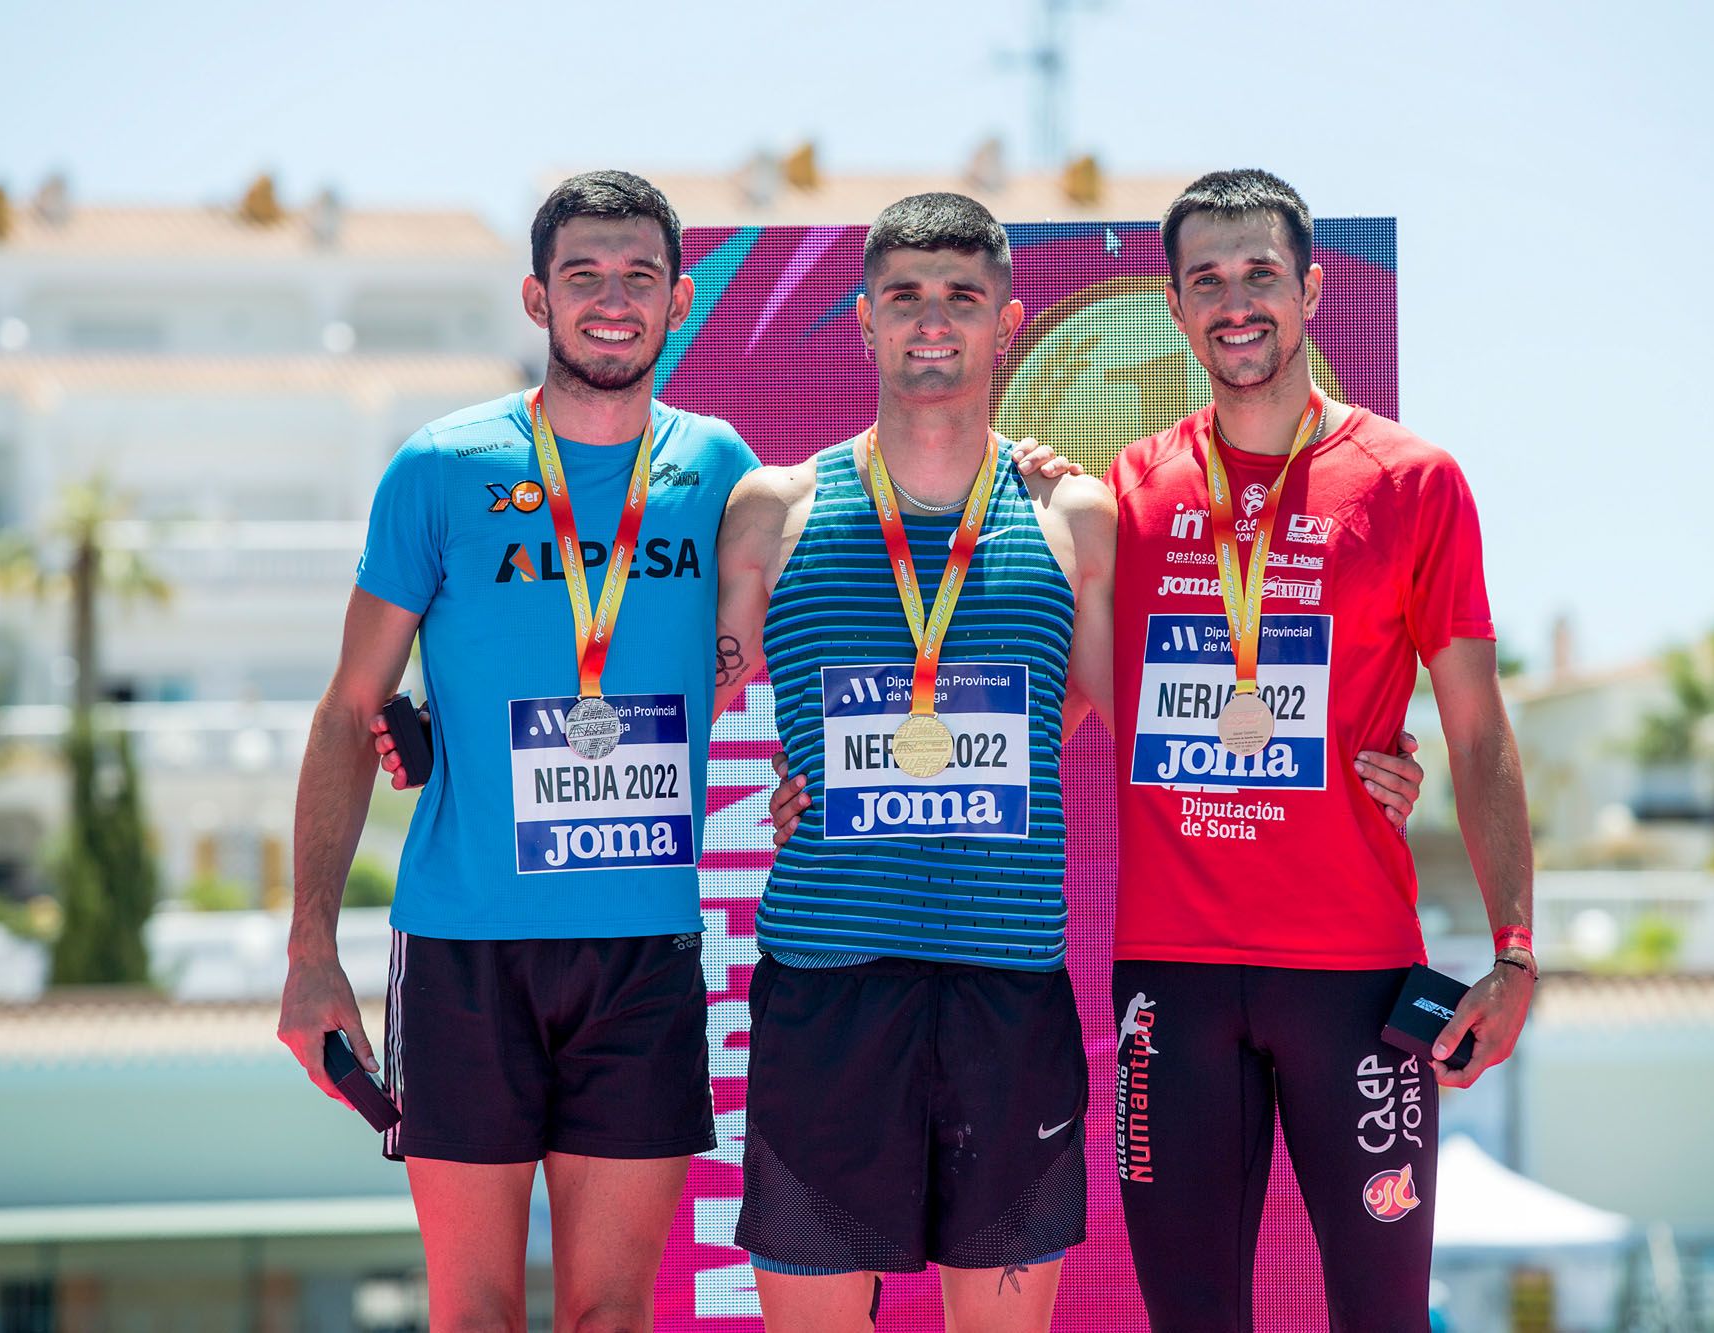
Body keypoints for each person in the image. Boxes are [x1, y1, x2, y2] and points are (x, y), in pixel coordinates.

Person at [277, 170, 760, 1333]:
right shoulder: (440, 467)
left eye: (638, 276)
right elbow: (352, 710)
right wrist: (308, 949)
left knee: (609, 1315)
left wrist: (1032, 469)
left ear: (679, 298)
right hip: (462, 949)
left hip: (641, 946)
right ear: (537, 298)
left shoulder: (726, 470)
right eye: (582, 275)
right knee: (478, 1311)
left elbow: (874, 529)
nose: (611, 299)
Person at [1100, 169, 1537, 1331]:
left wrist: (1513, 950)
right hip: (1170, 978)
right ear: (1175, 305)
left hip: (1351, 975)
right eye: (1207, 280)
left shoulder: (1412, 481)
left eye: (1259, 274)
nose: (1235, 302)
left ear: (1310, 289)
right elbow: (1028, 680)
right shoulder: (1122, 492)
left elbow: (1479, 731)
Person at [711, 192, 1118, 1333]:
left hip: (1005, 989)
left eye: (960, 297)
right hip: (826, 987)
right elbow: (671, 700)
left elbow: (1117, 713)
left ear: (1008, 322)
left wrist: (1363, 750)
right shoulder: (772, 510)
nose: (930, 321)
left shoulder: (1072, 516)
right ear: (862, 321)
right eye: (903, 297)